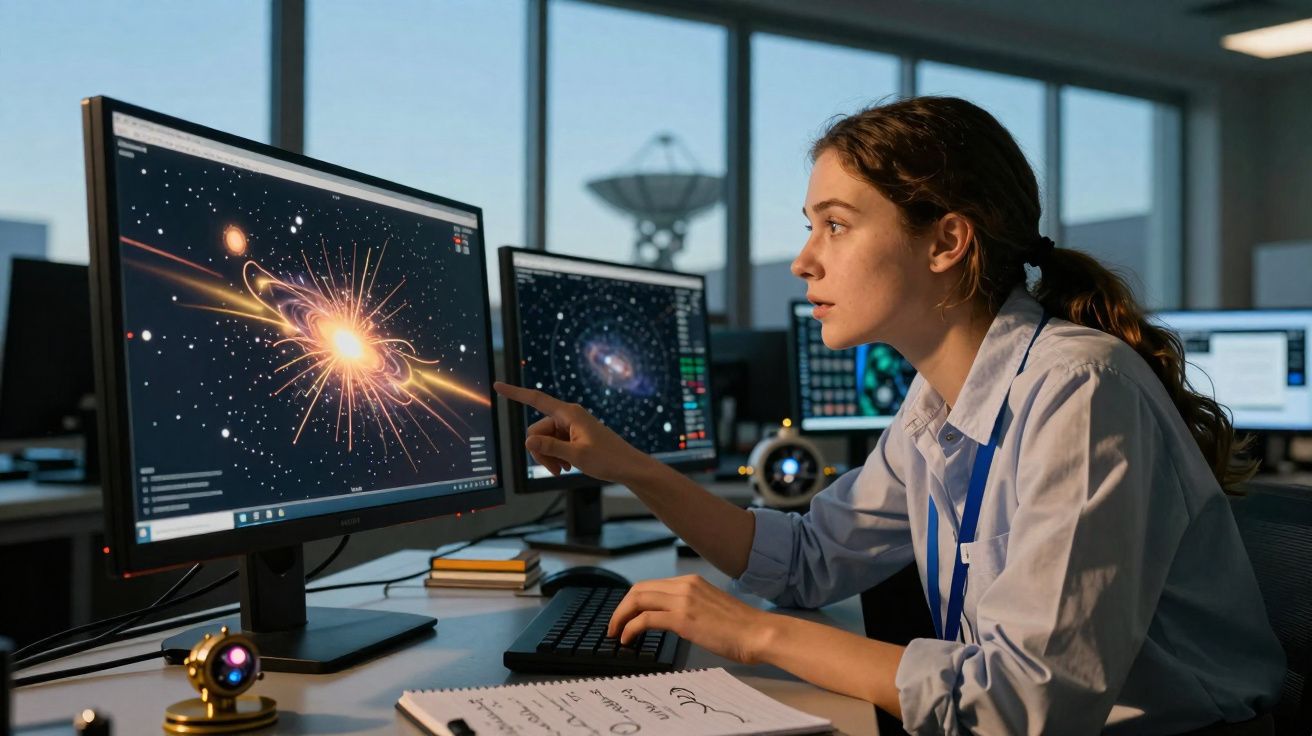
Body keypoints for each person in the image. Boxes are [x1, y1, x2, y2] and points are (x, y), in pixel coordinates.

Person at [494, 96, 1284, 735]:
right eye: (810, 226)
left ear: (946, 242)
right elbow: (806, 559)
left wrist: (754, 632)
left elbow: (1027, 705)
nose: (805, 258)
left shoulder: (1080, 390)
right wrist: (628, 463)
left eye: (835, 224)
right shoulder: (935, 405)